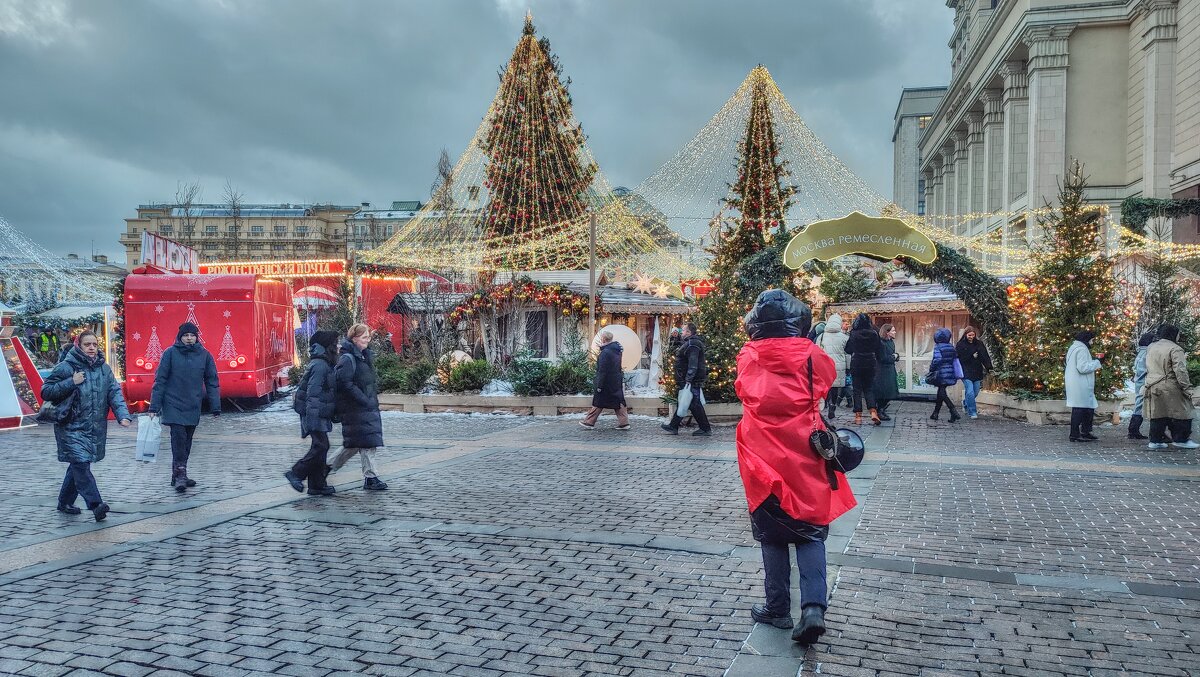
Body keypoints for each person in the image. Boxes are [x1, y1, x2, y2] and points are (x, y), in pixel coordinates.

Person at [736, 289, 856, 645]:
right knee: (811, 530)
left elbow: (744, 390)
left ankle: (776, 608)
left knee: (770, 532)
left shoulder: (748, 354)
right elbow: (825, 380)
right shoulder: (811, 354)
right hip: (804, 448)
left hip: (761, 450)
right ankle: (813, 609)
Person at [41, 331, 132, 521]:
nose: (91, 348)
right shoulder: (66, 367)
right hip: (70, 427)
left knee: (78, 465)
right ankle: (96, 504)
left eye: (94, 344)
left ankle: (64, 501)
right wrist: (70, 382)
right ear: (78, 346)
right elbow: (46, 391)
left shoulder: (104, 369)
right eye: (87, 344)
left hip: (93, 427)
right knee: (81, 465)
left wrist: (123, 415)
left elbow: (114, 393)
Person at [149, 322, 221, 492]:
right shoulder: (170, 354)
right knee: (178, 439)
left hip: (192, 404)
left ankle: (178, 474)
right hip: (173, 403)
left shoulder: (204, 355)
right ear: (180, 337)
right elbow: (160, 380)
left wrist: (215, 406)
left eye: (192, 335)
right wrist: (154, 407)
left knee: (187, 441)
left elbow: (212, 381)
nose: (189, 338)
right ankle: (181, 474)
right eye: (186, 335)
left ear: (196, 337)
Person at [329, 324, 387, 490]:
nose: (367, 340)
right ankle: (371, 477)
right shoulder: (348, 358)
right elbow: (344, 383)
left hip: (366, 407)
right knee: (366, 443)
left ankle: (325, 468)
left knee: (354, 445)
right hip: (356, 409)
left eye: (368, 337)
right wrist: (363, 398)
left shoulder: (363, 356)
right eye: (364, 337)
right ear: (354, 339)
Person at [285, 330, 340, 495]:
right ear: (327, 346)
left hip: (318, 411)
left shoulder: (324, 362)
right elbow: (313, 394)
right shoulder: (320, 365)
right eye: (335, 343)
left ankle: (317, 484)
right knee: (321, 445)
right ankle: (296, 473)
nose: (337, 346)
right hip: (313, 411)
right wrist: (312, 418)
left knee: (321, 446)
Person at [1143, 324, 1198, 450]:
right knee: (1183, 412)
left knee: (1158, 414)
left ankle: (1155, 440)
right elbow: (1180, 370)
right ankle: (1181, 438)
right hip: (1170, 385)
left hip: (1152, 384)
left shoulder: (1151, 347)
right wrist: (1186, 387)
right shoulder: (1175, 349)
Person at [662, 322, 711, 436]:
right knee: (686, 401)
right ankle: (673, 426)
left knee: (693, 403)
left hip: (691, 380)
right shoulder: (691, 343)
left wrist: (689, 378)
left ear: (689, 332)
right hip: (690, 378)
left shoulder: (692, 344)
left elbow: (693, 363)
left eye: (683, 330)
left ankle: (705, 428)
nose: (681, 332)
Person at [581, 331, 630, 430]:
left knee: (599, 402)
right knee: (618, 402)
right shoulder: (616, 350)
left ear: (603, 339)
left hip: (606, 381)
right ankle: (624, 423)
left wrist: (599, 385)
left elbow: (602, 370)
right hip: (615, 380)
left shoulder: (605, 352)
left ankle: (589, 422)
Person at [1064, 330, 1103, 442]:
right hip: (1080, 383)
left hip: (1077, 382)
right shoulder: (1082, 350)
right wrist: (1097, 362)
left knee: (1087, 407)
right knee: (1079, 408)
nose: (1092, 342)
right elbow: (1083, 368)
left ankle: (1085, 431)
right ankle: (1075, 434)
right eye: (1091, 340)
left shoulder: (1074, 347)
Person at [844, 313, 881, 425]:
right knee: (869, 388)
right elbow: (878, 348)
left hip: (857, 362)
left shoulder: (853, 334)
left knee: (857, 390)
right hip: (870, 362)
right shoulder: (874, 334)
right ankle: (873, 412)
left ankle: (858, 416)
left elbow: (848, 349)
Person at [955, 326, 993, 420]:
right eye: (969, 335)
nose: (971, 337)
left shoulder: (979, 344)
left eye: (973, 335)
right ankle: (972, 412)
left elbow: (985, 356)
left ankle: (965, 403)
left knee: (975, 392)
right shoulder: (960, 344)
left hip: (976, 370)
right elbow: (959, 358)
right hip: (965, 371)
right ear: (965, 335)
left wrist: (989, 367)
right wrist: (971, 355)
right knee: (970, 391)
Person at [816, 313, 848, 419]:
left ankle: (827, 403)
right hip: (839, 366)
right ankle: (833, 404)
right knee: (835, 388)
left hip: (825, 366)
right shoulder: (844, 337)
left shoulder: (821, 336)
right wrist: (848, 368)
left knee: (827, 386)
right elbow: (848, 355)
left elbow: (816, 352)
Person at [927, 328, 960, 422]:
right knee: (941, 392)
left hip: (940, 372)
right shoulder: (951, 346)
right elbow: (955, 358)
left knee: (942, 393)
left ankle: (953, 411)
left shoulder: (938, 347)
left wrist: (931, 369)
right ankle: (935, 413)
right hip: (950, 372)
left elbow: (937, 359)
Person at [1128, 331, 1156, 440]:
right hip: (1144, 382)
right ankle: (1133, 430)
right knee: (1140, 406)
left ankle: (1133, 429)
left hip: (1139, 382)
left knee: (1138, 404)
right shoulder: (1147, 354)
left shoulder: (1140, 353)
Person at [874, 324, 900, 422]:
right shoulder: (881, 343)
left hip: (890, 369)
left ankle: (881, 409)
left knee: (891, 392)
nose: (895, 332)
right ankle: (880, 410)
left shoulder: (891, 342)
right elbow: (882, 358)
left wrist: (896, 356)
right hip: (882, 371)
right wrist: (894, 357)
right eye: (893, 331)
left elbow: (893, 355)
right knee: (884, 392)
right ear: (887, 332)